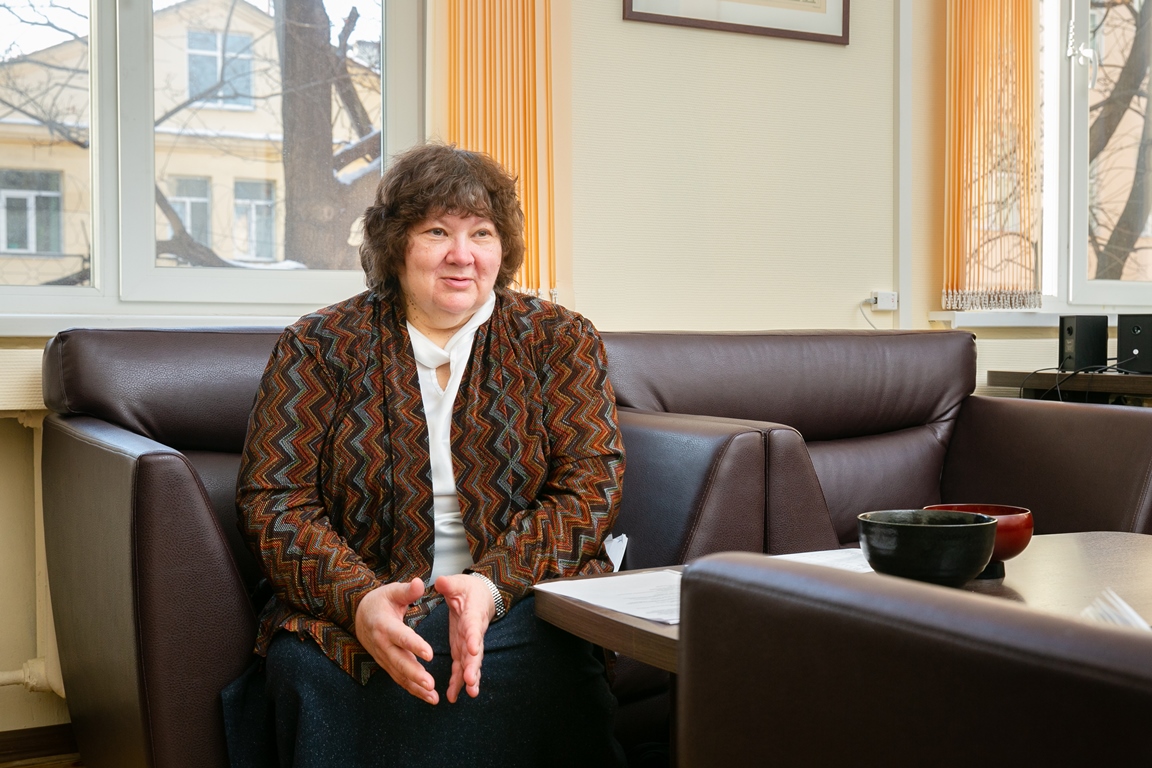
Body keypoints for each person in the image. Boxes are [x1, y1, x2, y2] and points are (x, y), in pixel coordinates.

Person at [221, 143, 627, 768]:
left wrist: (489, 587)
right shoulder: (318, 346)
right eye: (437, 231)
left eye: (481, 233)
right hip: (353, 608)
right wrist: (359, 600)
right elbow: (275, 502)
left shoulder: (558, 339)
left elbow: (590, 489)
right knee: (314, 669)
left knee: (544, 658)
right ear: (395, 245)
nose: (462, 254)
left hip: (518, 599)